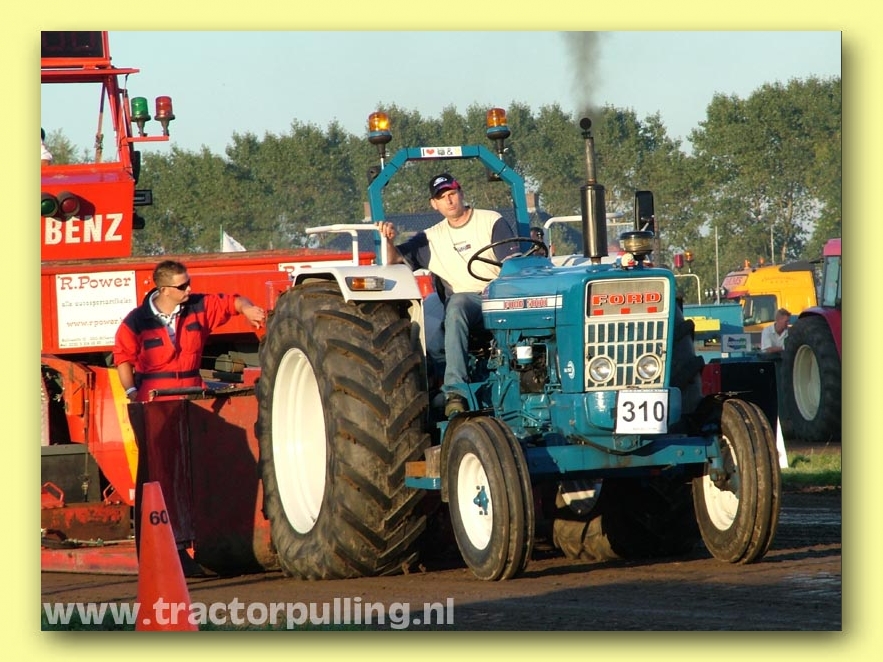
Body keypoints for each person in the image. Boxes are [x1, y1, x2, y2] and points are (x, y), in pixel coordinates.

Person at [377, 172, 520, 417]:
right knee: (453, 307)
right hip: (467, 302)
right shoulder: (431, 238)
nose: (449, 200)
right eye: (442, 197)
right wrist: (388, 241)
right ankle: (455, 392)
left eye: (452, 193)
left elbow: (512, 264)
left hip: (499, 295)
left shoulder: (491, 221)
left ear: (461, 193)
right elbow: (394, 260)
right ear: (434, 204)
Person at [113, 259, 266, 403]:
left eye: (188, 283)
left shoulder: (199, 307)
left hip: (194, 395)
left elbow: (233, 302)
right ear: (165, 290)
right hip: (154, 399)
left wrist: (247, 308)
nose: (189, 289)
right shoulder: (136, 321)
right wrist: (132, 392)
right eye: (182, 287)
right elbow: (123, 359)